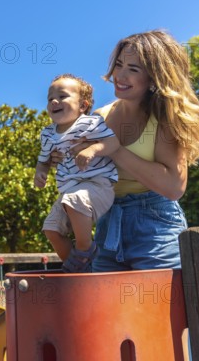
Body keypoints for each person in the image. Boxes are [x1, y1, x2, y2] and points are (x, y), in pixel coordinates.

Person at [66, 30, 199, 272]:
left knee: (159, 307)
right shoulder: (100, 117)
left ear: (154, 77)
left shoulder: (164, 118)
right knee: (106, 308)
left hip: (155, 226)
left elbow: (174, 187)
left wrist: (116, 151)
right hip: (108, 224)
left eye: (133, 69)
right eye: (119, 64)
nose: (119, 75)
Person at [35, 74, 120, 273]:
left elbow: (113, 143)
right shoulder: (48, 133)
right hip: (68, 191)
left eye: (62, 96)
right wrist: (41, 172)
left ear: (83, 105)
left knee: (75, 199)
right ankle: (77, 269)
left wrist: (92, 150)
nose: (54, 101)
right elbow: (43, 159)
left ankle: (85, 248)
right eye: (50, 98)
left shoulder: (90, 123)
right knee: (51, 228)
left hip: (98, 185)